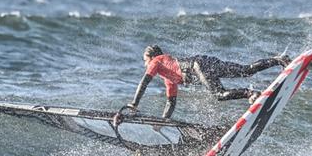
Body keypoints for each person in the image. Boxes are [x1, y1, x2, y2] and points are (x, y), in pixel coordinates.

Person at [124, 45, 291, 119]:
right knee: (246, 71)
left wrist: (134, 103)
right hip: (205, 62)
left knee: (219, 94)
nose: (145, 64)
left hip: (198, 66)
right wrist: (163, 121)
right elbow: (171, 103)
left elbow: (144, 82)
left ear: (151, 57)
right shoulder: (169, 76)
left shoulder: (157, 61)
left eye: (144, 60)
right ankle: (279, 60)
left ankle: (251, 93)